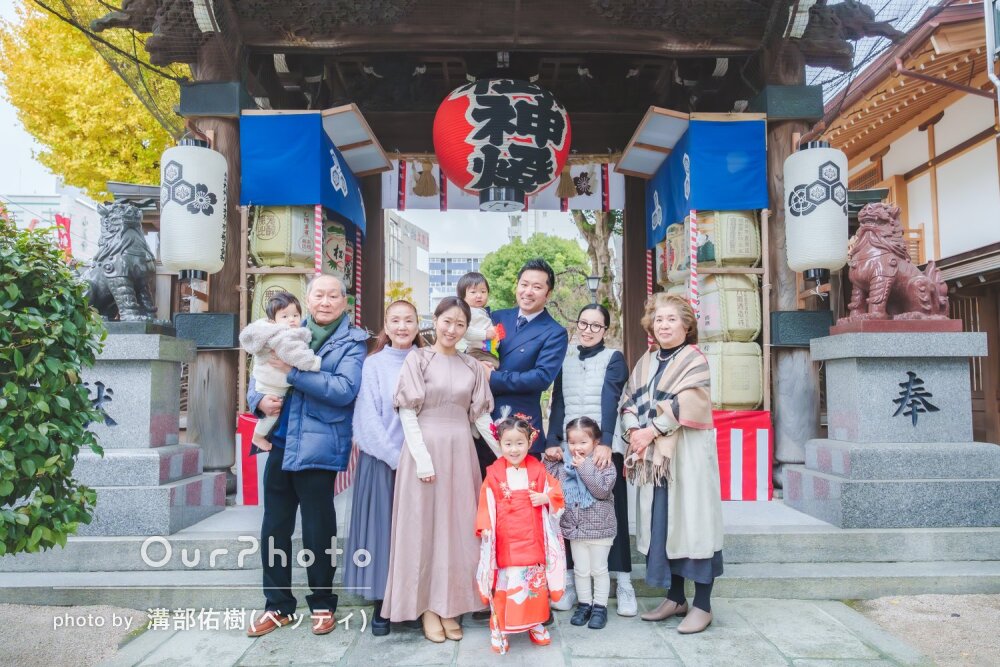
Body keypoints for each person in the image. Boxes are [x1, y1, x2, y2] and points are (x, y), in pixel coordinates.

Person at [245, 274, 368, 638]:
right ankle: (277, 605)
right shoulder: (282, 329)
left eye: (334, 296)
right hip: (281, 442)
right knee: (274, 528)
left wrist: (295, 375)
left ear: (345, 303)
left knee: (319, 530)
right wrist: (257, 400)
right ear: (309, 299)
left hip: (319, 445)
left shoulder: (353, 341)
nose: (325, 302)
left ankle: (322, 604)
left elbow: (345, 390)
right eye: (319, 295)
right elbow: (259, 373)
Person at [382, 296, 501, 643]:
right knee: (424, 530)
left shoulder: (472, 367)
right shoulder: (417, 360)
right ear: (434, 321)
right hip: (425, 449)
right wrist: (422, 459)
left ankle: (451, 606)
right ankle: (428, 609)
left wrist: (509, 457)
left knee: (459, 532)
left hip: (461, 452)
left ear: (467, 329)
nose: (452, 329)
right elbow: (407, 412)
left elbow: (480, 416)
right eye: (446, 321)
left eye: (460, 324)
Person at [620, 292, 723, 635]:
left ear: (686, 325)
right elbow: (629, 399)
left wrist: (651, 429)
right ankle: (675, 597)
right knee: (663, 525)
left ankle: (703, 605)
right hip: (656, 459)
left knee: (693, 523)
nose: (663, 325)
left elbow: (691, 403)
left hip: (687, 455)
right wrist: (634, 430)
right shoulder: (646, 361)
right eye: (659, 319)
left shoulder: (695, 359)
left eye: (671, 319)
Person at [544, 303, 636, 616]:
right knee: (569, 514)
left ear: (606, 330)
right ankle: (571, 582)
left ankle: (624, 583)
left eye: (596, 326)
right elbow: (558, 402)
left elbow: (611, 401)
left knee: (613, 515)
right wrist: (552, 441)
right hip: (570, 449)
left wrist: (606, 444)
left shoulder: (614, 359)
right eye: (584, 323)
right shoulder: (565, 357)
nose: (588, 330)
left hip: (601, 448)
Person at [343, 300, 425, 637]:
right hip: (383, 461)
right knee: (382, 535)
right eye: (396, 321)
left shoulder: (427, 361)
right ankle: (383, 603)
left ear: (418, 325)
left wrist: (419, 458)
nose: (403, 327)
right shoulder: (373, 365)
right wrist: (396, 458)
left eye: (409, 320)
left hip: (422, 462)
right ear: (386, 328)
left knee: (417, 534)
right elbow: (367, 420)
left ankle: (415, 601)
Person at [476, 414, 566, 654]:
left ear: (529, 443)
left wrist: (546, 498)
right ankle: (500, 627)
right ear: (500, 444)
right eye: (508, 444)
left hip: (532, 538)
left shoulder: (538, 470)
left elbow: (557, 493)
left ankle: (534, 624)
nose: (514, 449)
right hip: (505, 540)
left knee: (534, 586)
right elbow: (485, 503)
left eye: (519, 443)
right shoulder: (494, 473)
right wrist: (485, 526)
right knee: (507, 585)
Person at [485, 258, 569, 457]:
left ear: (548, 294)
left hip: (521, 425)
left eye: (537, 287)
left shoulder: (555, 332)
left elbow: (541, 378)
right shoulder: (497, 317)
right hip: (482, 419)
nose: (528, 291)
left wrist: (493, 377)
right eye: (524, 284)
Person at [545, 417, 616, 631]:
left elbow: (601, 490)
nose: (577, 447)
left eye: (583, 442)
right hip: (575, 530)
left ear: (596, 443)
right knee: (581, 570)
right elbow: (547, 477)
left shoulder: (604, 464)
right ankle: (584, 604)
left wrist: (584, 467)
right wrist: (550, 458)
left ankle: (599, 607)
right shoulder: (563, 466)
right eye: (572, 443)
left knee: (599, 570)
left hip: (600, 530)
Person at [239, 292, 321, 452]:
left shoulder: (267, 333)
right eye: (285, 316)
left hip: (268, 383)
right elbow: (297, 357)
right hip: (271, 386)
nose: (291, 320)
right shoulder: (282, 337)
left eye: (295, 315)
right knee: (272, 415)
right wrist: (315, 363)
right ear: (273, 320)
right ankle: (258, 437)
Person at [456, 271, 501, 368]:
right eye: (473, 292)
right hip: (478, 353)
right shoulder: (467, 311)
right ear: (462, 297)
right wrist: (485, 334)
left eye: (483, 291)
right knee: (487, 374)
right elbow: (464, 331)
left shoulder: (481, 311)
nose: (479, 295)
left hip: (489, 352)